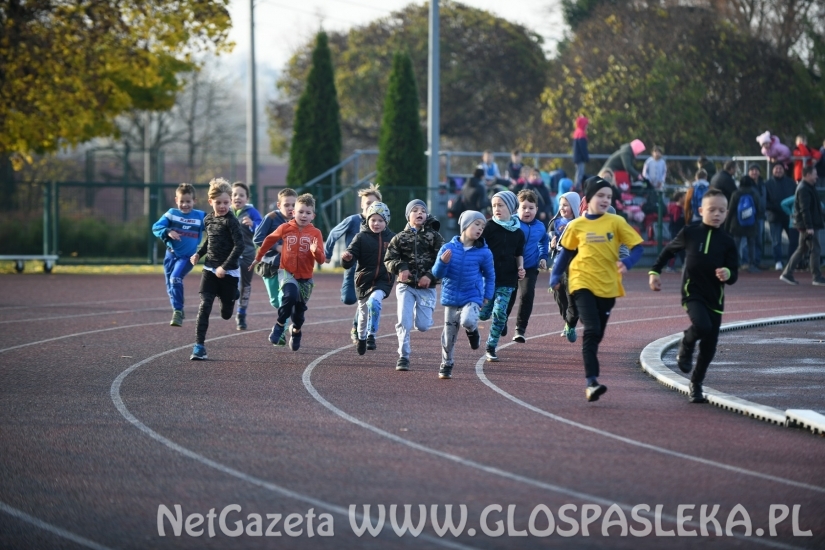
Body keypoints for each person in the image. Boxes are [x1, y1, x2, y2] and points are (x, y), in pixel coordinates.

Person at [549, 177, 644, 402]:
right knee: (591, 330)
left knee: (598, 331)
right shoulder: (577, 225)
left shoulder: (616, 222)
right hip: (581, 283)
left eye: (608, 197)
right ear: (588, 199)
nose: (604, 200)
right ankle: (591, 382)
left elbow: (637, 247)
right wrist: (554, 276)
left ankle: (591, 375)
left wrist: (627, 263)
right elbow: (566, 253)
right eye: (600, 196)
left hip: (608, 286)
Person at [649, 188, 739, 403]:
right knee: (702, 325)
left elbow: (734, 273)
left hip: (715, 299)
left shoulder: (728, 241)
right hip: (692, 293)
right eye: (712, 209)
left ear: (726, 213)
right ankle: (686, 344)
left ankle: (696, 384)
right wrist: (654, 272)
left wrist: (727, 273)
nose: (716, 214)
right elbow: (668, 251)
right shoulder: (690, 233)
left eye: (721, 210)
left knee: (709, 347)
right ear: (701, 210)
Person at [251, 193, 325, 351]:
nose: (303, 215)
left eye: (307, 213)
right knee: (289, 295)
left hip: (305, 277)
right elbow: (268, 240)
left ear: (313, 215)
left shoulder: (315, 233)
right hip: (286, 272)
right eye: (300, 212)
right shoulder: (285, 228)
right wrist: (258, 258)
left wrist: (315, 251)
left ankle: (296, 331)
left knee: (298, 314)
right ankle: (279, 326)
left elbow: (321, 260)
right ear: (293, 213)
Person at [432, 211, 495, 379]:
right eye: (477, 225)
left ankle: (473, 330)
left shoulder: (484, 252)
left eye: (482, 227)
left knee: (467, 320)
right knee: (449, 334)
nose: (480, 229)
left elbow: (490, 275)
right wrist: (442, 262)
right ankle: (447, 363)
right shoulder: (448, 248)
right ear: (465, 225)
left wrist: (487, 294)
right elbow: (437, 274)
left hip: (472, 296)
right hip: (451, 298)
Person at [384, 199, 445, 371]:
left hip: (427, 287)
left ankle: (425, 317)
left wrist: (429, 276)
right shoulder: (399, 238)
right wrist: (400, 268)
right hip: (406, 286)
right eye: (415, 210)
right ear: (408, 215)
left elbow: (443, 260)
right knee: (404, 320)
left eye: (423, 211)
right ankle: (403, 356)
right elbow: (389, 259)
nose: (419, 213)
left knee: (423, 326)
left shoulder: (434, 237)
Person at [189, 178, 245, 360]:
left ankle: (233, 295)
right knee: (205, 305)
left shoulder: (232, 221)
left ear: (230, 201)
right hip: (210, 270)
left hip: (229, 272)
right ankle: (199, 346)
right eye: (218, 203)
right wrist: (199, 254)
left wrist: (224, 266)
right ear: (210, 201)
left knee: (226, 314)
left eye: (226, 203)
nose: (222, 206)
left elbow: (239, 246)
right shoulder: (208, 219)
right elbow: (210, 241)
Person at [324, 184, 382, 342]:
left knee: (366, 300)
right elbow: (333, 233)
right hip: (352, 268)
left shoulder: (380, 223)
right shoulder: (352, 221)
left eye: (373, 203)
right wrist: (327, 253)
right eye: (367, 203)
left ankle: (357, 326)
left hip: (371, 270)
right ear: (362, 205)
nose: (370, 206)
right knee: (349, 299)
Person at [340, 202, 396, 354]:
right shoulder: (360, 237)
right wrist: (347, 258)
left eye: (380, 220)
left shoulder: (392, 239)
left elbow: (401, 257)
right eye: (373, 220)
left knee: (374, 302)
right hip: (364, 280)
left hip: (384, 280)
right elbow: (350, 257)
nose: (376, 223)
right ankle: (362, 337)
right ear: (367, 220)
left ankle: (372, 335)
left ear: (386, 221)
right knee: (363, 313)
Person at [479, 191, 525, 362]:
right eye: (494, 206)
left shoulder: (518, 233)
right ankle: (478, 313)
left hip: (508, 279)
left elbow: (519, 253)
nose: (496, 209)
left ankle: (491, 346)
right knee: (483, 315)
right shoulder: (489, 226)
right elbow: (479, 246)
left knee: (500, 314)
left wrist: (521, 268)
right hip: (488, 279)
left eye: (501, 205)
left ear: (511, 207)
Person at [152, 183, 206, 327]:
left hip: (187, 257)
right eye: (182, 201)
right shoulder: (171, 214)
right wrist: (168, 231)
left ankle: (178, 311)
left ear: (194, 201)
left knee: (175, 278)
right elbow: (156, 227)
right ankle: (177, 308)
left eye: (188, 201)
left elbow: (216, 224)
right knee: (170, 284)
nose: (185, 205)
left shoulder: (200, 216)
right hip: (170, 255)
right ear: (176, 200)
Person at [502, 189, 548, 344]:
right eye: (524, 207)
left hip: (529, 267)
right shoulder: (511, 223)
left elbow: (543, 241)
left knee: (527, 294)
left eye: (531, 208)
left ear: (536, 209)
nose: (527, 211)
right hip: (510, 267)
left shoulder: (540, 227)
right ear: (517, 209)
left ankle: (520, 329)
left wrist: (543, 257)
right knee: (509, 295)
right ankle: (502, 321)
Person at [253, 188, 297, 346]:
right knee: (275, 301)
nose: (291, 208)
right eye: (287, 204)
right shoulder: (270, 218)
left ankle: (281, 330)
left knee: (284, 298)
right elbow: (258, 238)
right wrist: (277, 246)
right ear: (279, 205)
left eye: (294, 204)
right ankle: (286, 321)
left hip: (288, 268)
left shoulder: (300, 221)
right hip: (270, 264)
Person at [780, 167, 825, 286]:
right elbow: (804, 209)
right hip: (808, 226)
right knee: (815, 249)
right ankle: (817, 277)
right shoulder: (804, 189)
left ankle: (787, 273)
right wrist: (809, 226)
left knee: (802, 249)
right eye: (815, 174)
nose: (817, 177)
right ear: (808, 175)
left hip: (807, 224)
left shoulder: (807, 187)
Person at [549, 191, 581, 341]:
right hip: (558, 266)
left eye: (566, 205)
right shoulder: (555, 222)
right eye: (561, 205)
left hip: (574, 267)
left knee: (572, 298)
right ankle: (567, 321)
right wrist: (551, 242)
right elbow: (549, 236)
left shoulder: (580, 224)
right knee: (560, 298)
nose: (562, 208)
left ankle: (571, 324)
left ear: (574, 206)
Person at [230, 182, 262, 331]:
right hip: (230, 254)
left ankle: (241, 314)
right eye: (234, 195)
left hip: (248, 253)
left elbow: (262, 229)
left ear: (247, 198)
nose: (237, 198)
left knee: (245, 285)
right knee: (231, 281)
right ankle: (230, 298)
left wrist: (252, 225)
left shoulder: (251, 211)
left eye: (241, 195)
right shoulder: (226, 211)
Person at [724, 174, 762, 273]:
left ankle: (735, 264)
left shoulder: (736, 193)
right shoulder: (755, 193)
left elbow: (731, 209)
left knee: (736, 244)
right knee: (751, 244)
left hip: (737, 223)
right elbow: (759, 209)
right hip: (751, 223)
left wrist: (727, 226)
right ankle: (752, 264)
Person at [765, 163, 799, 271]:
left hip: (790, 216)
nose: (778, 170)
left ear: (784, 170)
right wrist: (776, 207)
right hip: (774, 217)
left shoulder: (790, 182)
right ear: (772, 170)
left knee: (794, 240)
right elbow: (765, 201)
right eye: (776, 168)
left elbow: (796, 198)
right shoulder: (767, 184)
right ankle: (778, 262)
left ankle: (793, 262)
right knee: (776, 241)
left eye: (780, 168)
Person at [744, 164, 767, 268]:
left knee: (758, 240)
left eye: (756, 170)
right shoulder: (746, 184)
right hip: (749, 217)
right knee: (747, 240)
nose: (754, 172)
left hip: (760, 217)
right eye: (752, 170)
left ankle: (757, 261)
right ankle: (746, 262)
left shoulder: (763, 185)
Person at [665, 191, 685, 272]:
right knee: (676, 249)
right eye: (684, 196)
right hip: (676, 231)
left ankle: (684, 265)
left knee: (682, 249)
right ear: (680, 198)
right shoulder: (676, 208)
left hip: (681, 231)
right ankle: (670, 266)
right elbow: (676, 220)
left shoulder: (682, 208)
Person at [572, 115, 590, 190]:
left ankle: (577, 186)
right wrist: (586, 157)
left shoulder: (577, 132)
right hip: (580, 158)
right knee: (580, 173)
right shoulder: (581, 133)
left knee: (578, 173)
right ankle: (577, 187)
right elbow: (583, 148)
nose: (587, 126)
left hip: (577, 157)